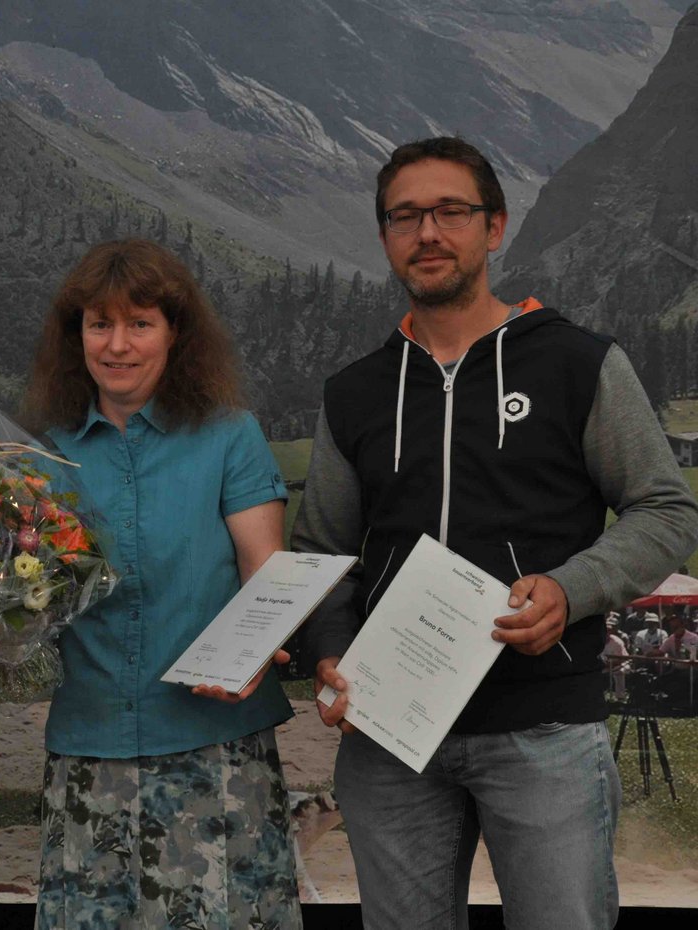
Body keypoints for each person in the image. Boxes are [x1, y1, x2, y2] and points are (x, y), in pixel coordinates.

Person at [293, 136, 698, 930]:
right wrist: (331, 652)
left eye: (451, 211)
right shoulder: (356, 393)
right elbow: (321, 552)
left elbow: (665, 509)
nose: (428, 233)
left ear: (495, 226)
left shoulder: (578, 364)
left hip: (543, 727)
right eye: (405, 217)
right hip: (390, 735)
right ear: (385, 237)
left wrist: (570, 590)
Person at [23, 239, 300, 929]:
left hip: (217, 748)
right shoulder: (40, 452)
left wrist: (261, 646)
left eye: (140, 324)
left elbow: (265, 573)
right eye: (99, 324)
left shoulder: (231, 435)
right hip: (91, 749)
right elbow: (26, 591)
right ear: (76, 334)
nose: (117, 345)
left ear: (175, 334)